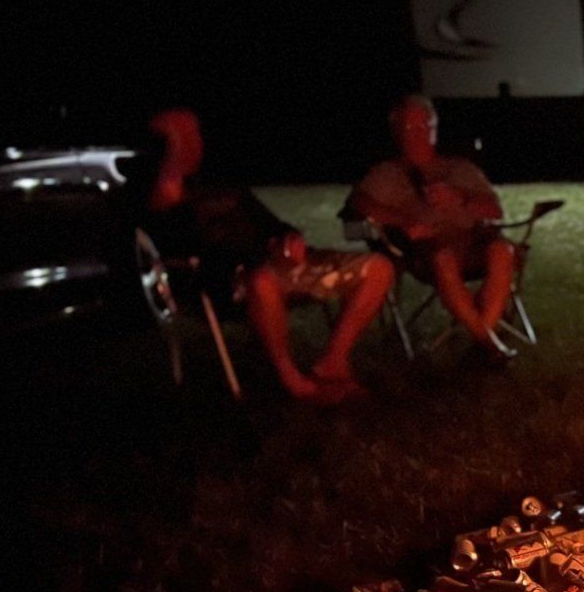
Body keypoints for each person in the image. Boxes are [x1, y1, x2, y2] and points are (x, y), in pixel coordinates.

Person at [143, 108, 395, 402]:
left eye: (195, 133)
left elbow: (270, 222)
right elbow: (189, 250)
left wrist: (289, 240)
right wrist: (263, 259)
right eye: (184, 136)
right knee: (263, 278)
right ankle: (292, 380)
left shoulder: (219, 184)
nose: (195, 142)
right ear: (162, 145)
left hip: (286, 265)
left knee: (378, 267)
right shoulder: (154, 200)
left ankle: (332, 363)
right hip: (234, 281)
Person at [346, 95, 516, 354]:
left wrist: (460, 197)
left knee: (503, 251)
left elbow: (494, 211)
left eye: (425, 126)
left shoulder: (460, 168)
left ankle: (484, 338)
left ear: (435, 129)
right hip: (429, 251)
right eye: (410, 128)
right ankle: (489, 343)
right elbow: (358, 203)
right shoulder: (388, 173)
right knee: (443, 257)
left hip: (472, 242)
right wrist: (403, 221)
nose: (419, 135)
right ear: (396, 132)